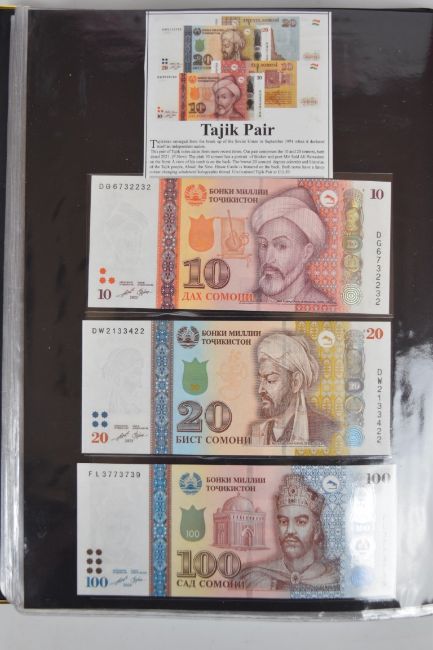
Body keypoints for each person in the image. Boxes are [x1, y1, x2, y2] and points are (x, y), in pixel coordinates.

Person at [238, 474, 339, 591]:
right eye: (284, 522)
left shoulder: (335, 576)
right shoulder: (253, 577)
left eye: (301, 522)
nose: (290, 531)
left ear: (316, 530)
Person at [250, 332, 338, 446]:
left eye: (270, 380)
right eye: (260, 380)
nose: (260, 390)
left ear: (296, 382)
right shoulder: (257, 433)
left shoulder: (326, 430)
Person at [251, 187, 330, 303]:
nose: (268, 258)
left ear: (306, 253)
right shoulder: (250, 300)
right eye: (263, 245)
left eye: (281, 246)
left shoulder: (321, 303)